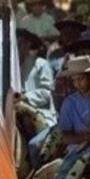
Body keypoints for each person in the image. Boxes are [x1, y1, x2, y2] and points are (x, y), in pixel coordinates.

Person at [16, 29, 57, 167]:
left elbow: (47, 92)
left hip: (39, 112)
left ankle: (35, 168)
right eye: (15, 43)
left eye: (21, 43)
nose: (17, 46)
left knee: (35, 142)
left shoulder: (41, 64)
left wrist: (25, 96)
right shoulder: (10, 65)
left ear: (28, 45)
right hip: (14, 109)